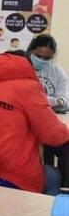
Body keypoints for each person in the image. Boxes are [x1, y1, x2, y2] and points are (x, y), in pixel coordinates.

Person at [0, 52, 69, 195]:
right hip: (11, 174)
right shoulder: (28, 87)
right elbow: (54, 135)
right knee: (53, 175)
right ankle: (45, 215)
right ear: (27, 66)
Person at [26, 34, 69, 187]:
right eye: (38, 56)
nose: (42, 61)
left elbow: (64, 100)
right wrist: (51, 101)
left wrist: (44, 101)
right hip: (27, 125)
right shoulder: (22, 68)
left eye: (47, 58)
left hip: (49, 123)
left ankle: (64, 191)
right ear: (31, 50)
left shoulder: (57, 73)